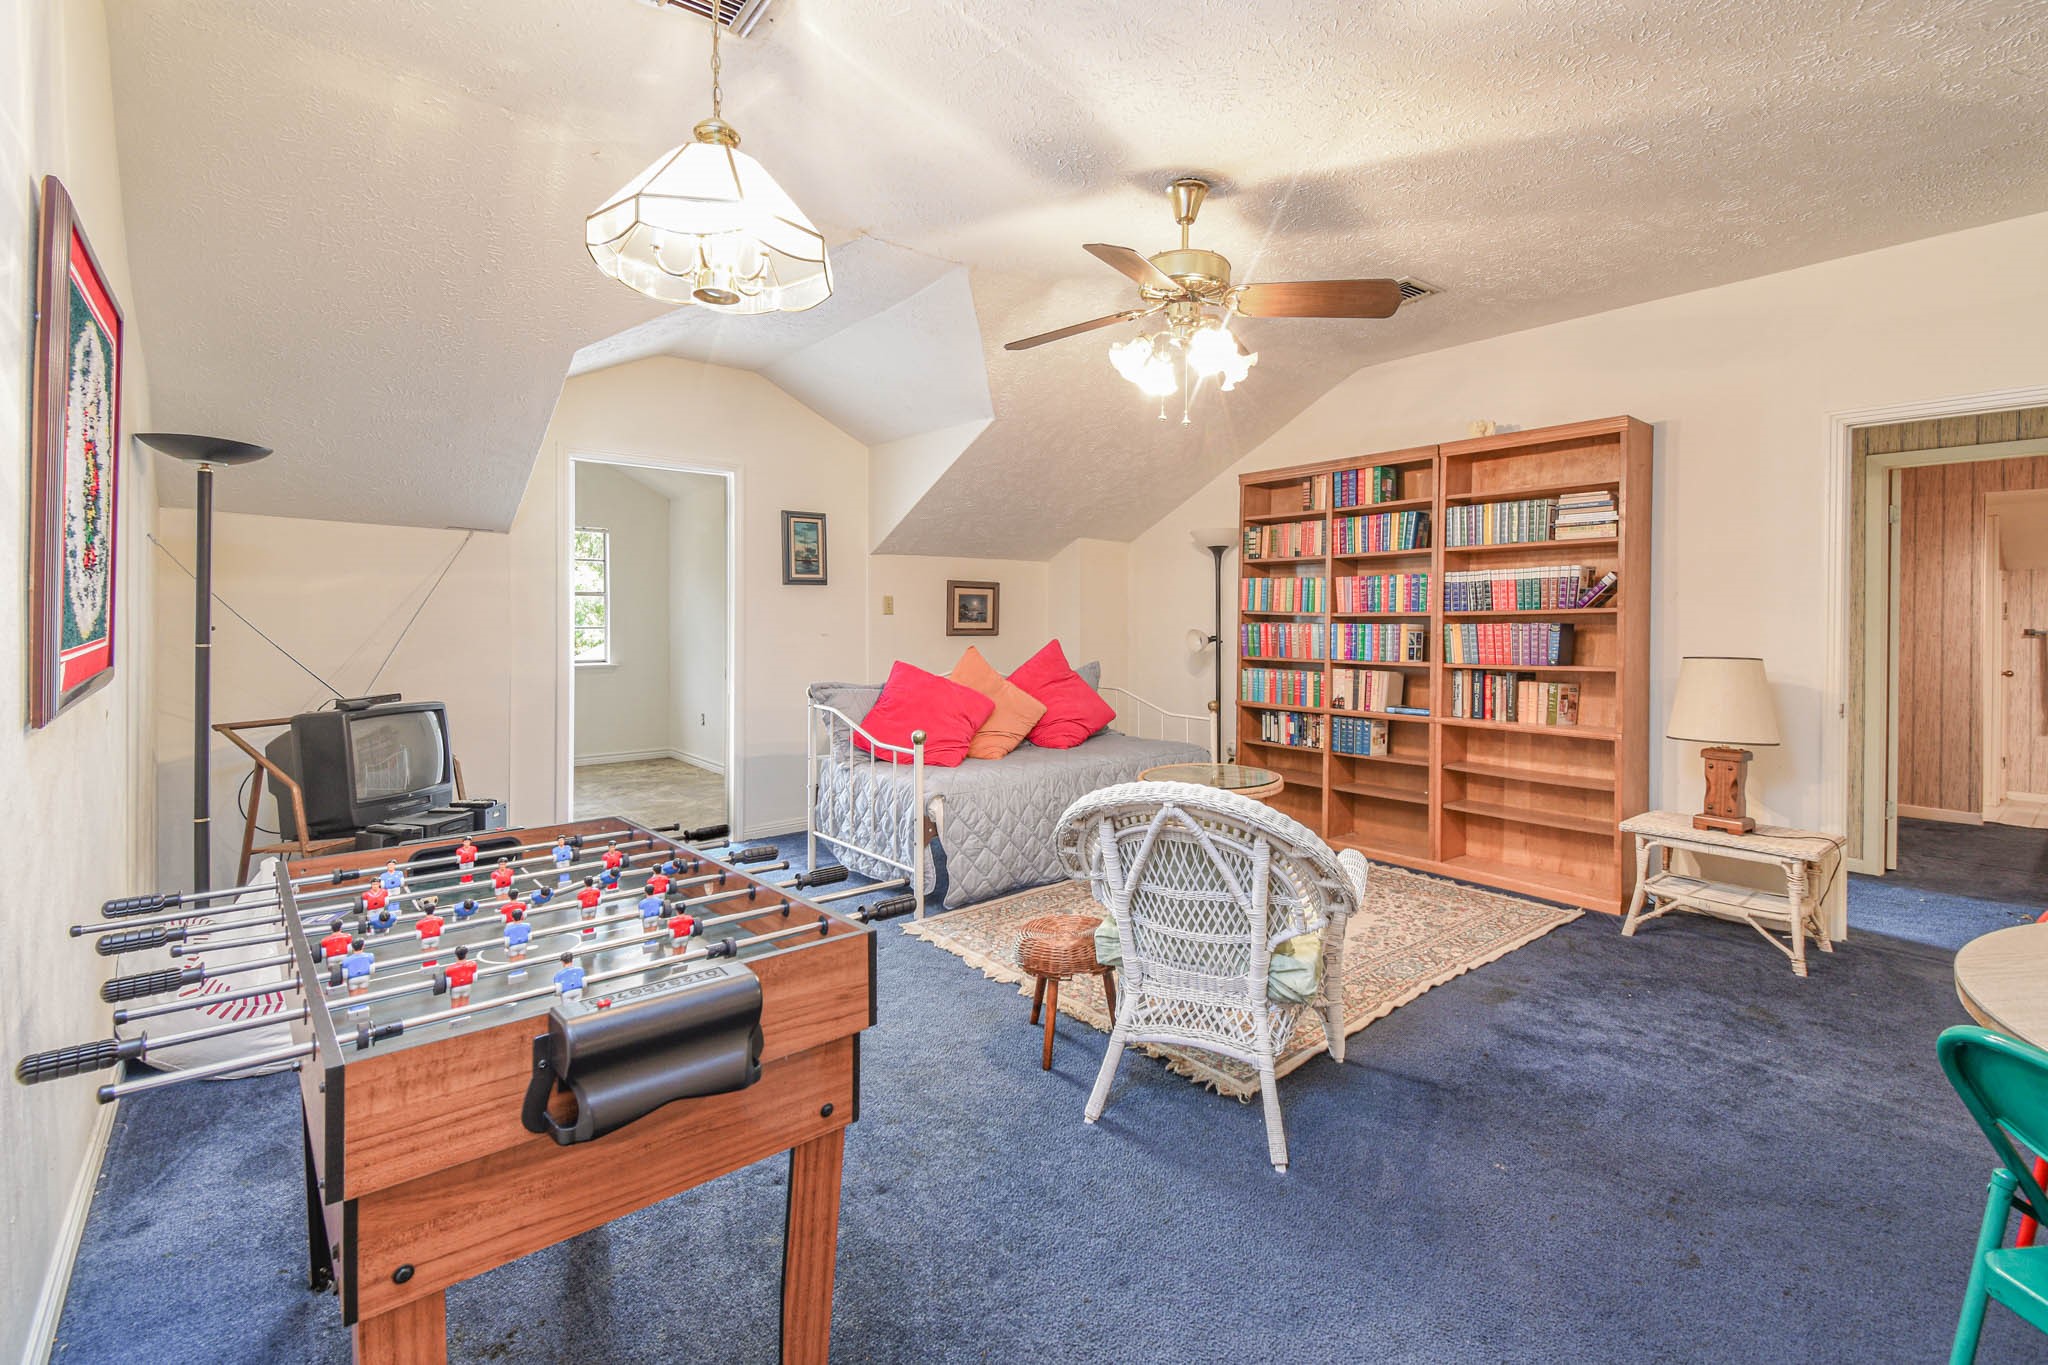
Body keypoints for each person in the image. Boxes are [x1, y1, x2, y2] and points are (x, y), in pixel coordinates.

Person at [342, 938, 376, 1011]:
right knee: (363, 994)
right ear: (363, 946)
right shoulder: (370, 956)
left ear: (352, 947)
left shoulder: (346, 960)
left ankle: (354, 1010)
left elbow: (345, 975)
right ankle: (362, 1009)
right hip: (365, 977)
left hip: (352, 979)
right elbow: (372, 970)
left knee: (353, 995)